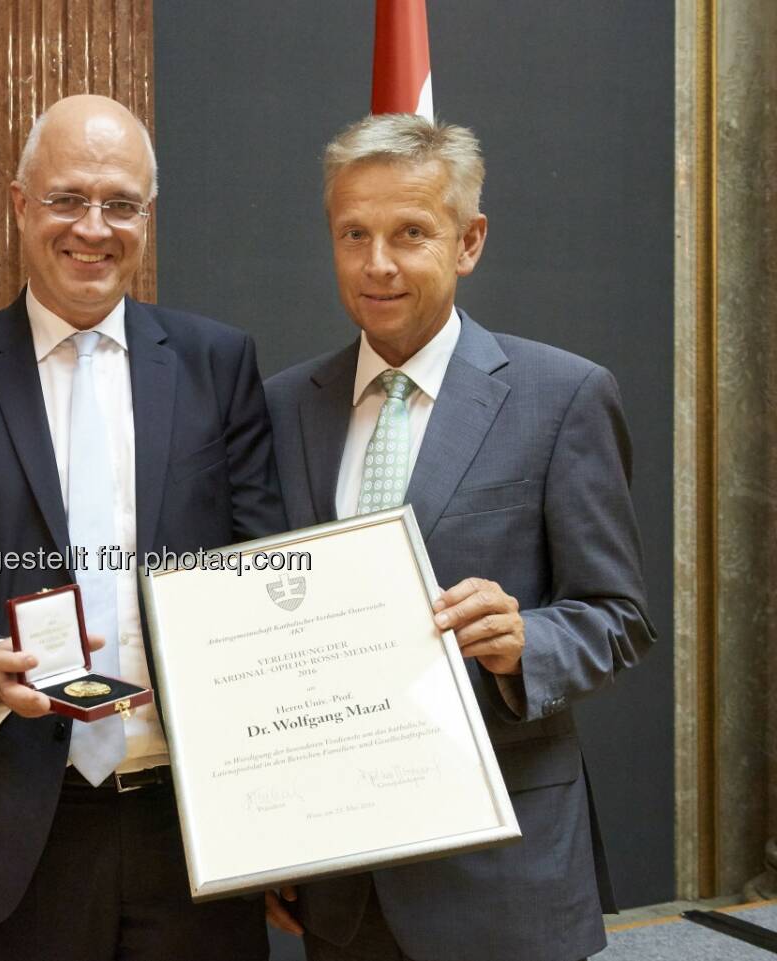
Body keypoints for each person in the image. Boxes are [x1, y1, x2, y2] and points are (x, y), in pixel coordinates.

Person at [0, 94, 286, 961]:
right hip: (22, 822)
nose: (93, 228)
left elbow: (264, 573)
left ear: (149, 215)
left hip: (192, 815)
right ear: (20, 205)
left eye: (121, 204)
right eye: (67, 198)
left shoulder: (219, 364)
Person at [263, 113, 655, 961]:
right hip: (344, 879)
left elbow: (619, 615)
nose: (377, 263)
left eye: (411, 233)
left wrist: (528, 639)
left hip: (504, 877)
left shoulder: (564, 396)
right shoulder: (283, 407)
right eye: (354, 233)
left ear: (469, 241)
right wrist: (268, 831)